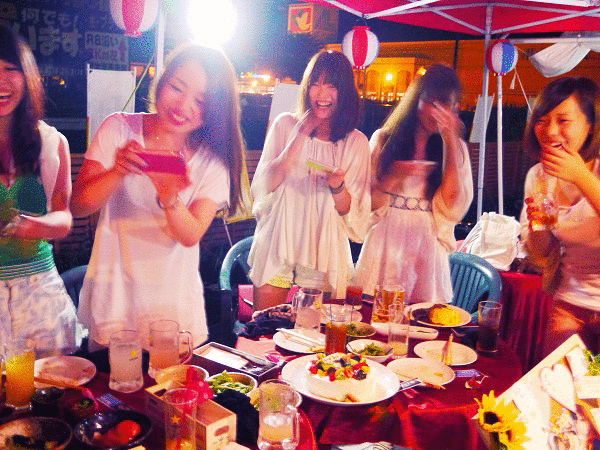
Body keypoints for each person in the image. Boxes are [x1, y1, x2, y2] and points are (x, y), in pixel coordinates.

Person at [71, 44, 245, 350]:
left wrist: (169, 197)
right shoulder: (118, 128)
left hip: (173, 309)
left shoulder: (213, 161)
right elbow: (79, 206)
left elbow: (190, 235)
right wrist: (117, 170)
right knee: (111, 381)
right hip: (114, 302)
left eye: (201, 101)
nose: (183, 106)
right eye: (177, 87)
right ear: (161, 81)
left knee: (168, 382)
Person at [248, 50, 371, 311]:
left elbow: (352, 213)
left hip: (323, 244)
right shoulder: (285, 124)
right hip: (278, 237)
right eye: (315, 84)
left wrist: (337, 186)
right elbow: (263, 186)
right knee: (266, 324)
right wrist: (302, 132)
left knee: (314, 331)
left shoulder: (356, 142)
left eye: (331, 86)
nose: (321, 94)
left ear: (345, 92)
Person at [354, 64, 473, 303]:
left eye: (446, 105)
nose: (437, 113)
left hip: (427, 246)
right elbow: (366, 203)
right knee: (375, 316)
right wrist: (393, 177)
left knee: (423, 319)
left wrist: (450, 140)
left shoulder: (456, 148)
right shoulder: (384, 139)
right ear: (416, 100)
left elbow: (452, 204)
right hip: (385, 244)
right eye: (432, 103)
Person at [0, 24, 78, 355]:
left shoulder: (50, 141)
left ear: (26, 74)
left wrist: (31, 226)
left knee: (56, 384)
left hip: (41, 295)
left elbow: (63, 217)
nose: (1, 81)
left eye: (10, 68)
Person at [520, 76, 600, 356]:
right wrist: (539, 221)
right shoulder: (539, 176)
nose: (550, 131)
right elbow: (541, 254)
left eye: (563, 120)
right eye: (542, 120)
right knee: (555, 381)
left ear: (590, 125)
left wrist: (580, 177)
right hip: (570, 302)